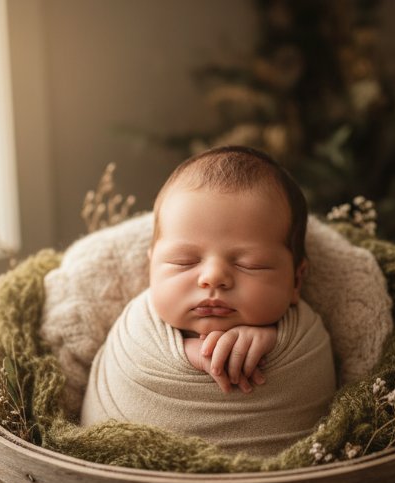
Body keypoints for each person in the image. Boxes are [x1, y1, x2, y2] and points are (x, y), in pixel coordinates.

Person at [80, 145, 337, 457]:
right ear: (151, 268)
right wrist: (194, 354)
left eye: (250, 264)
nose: (213, 277)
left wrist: (272, 340)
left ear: (296, 280)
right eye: (184, 261)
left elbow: (311, 379)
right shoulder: (137, 327)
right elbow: (135, 360)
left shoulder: (305, 334)